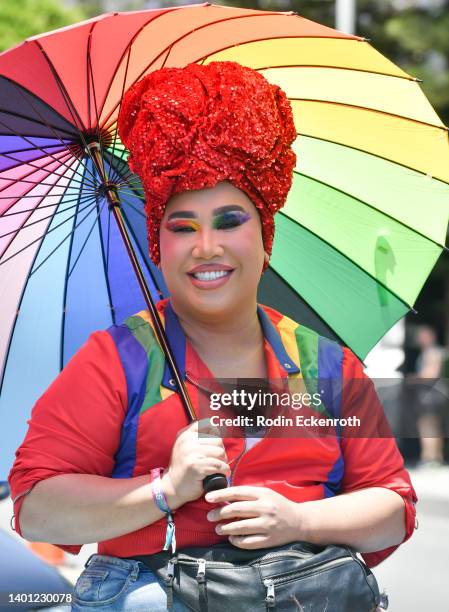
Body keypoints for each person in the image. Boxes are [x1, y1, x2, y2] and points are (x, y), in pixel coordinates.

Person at [8, 61, 416, 611]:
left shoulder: (327, 365)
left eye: (229, 221)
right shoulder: (116, 360)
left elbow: (392, 509)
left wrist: (300, 519)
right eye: (182, 227)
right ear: (159, 247)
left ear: (265, 240)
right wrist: (164, 490)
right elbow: (38, 509)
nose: (206, 247)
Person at [411, 325, 447, 466]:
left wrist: (413, 378)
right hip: (435, 394)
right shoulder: (433, 351)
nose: (419, 338)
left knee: (427, 426)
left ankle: (429, 458)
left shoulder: (432, 352)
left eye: (422, 335)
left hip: (430, 395)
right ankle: (436, 458)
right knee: (435, 426)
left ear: (431, 336)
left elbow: (431, 374)